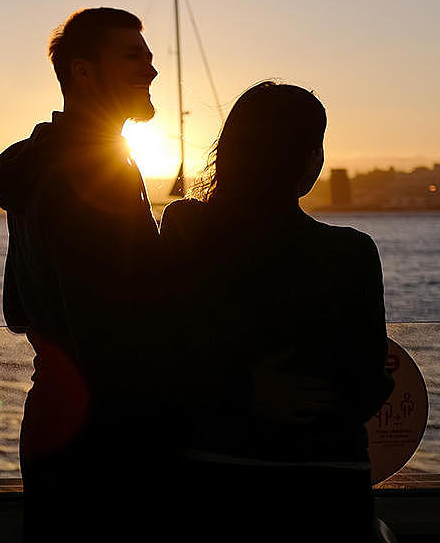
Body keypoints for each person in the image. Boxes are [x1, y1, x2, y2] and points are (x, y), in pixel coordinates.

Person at [161, 81, 394, 542]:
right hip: (330, 484)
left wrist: (239, 394)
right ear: (309, 161)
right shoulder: (352, 253)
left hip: (215, 474)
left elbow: (164, 350)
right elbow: (366, 385)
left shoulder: (186, 226)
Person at [0, 8, 177, 542]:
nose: (151, 70)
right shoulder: (95, 168)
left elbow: (18, 307)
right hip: (106, 434)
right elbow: (112, 328)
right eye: (134, 56)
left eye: (150, 57)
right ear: (84, 72)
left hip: (52, 418)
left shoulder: (41, 165)